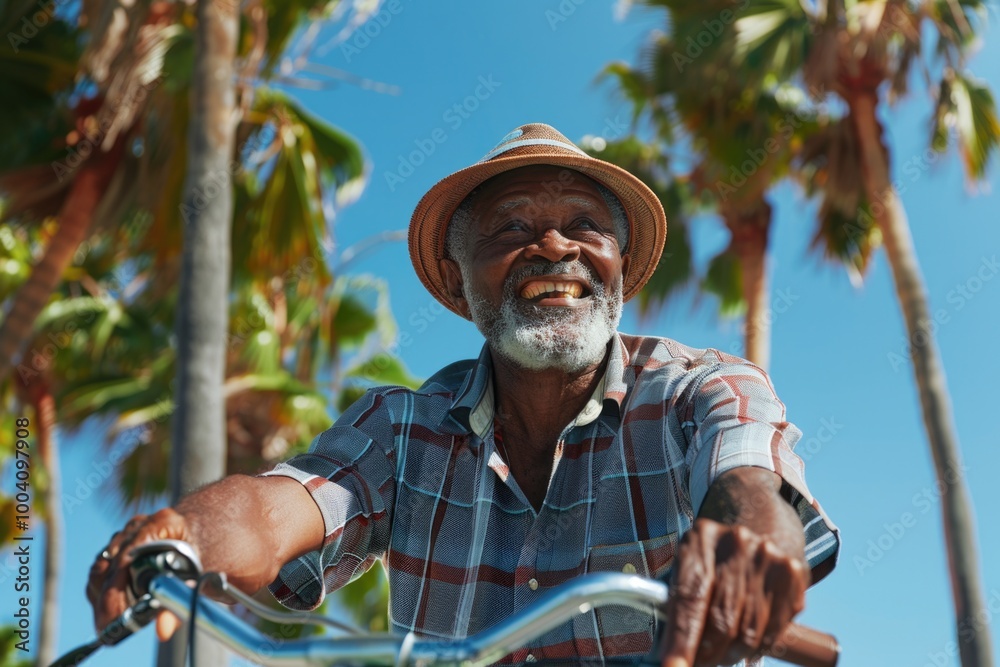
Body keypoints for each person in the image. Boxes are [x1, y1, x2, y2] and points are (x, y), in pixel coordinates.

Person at [87, 123, 840, 666]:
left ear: (620, 265)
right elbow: (277, 505)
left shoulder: (697, 385)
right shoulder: (400, 428)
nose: (554, 247)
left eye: (586, 227)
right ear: (457, 280)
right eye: (510, 229)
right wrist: (185, 532)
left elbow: (748, 473)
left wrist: (747, 534)